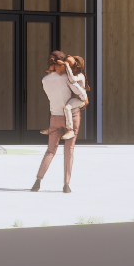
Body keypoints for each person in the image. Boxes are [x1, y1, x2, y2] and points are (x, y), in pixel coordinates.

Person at [29, 49, 90, 194]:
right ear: (62, 64)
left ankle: (37, 181)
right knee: (69, 151)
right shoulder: (68, 78)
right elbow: (82, 94)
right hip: (72, 116)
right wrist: (84, 100)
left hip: (54, 117)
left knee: (50, 150)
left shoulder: (45, 80)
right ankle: (66, 185)